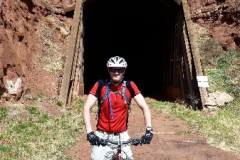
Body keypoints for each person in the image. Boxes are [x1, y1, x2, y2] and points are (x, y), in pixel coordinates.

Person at [83, 56, 153, 160]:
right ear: (108, 70)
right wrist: (89, 132)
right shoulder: (100, 85)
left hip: (122, 136)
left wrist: (149, 130)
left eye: (119, 69)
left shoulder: (130, 86)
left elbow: (144, 107)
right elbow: (86, 108)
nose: (116, 72)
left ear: (124, 71)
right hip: (102, 136)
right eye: (113, 69)